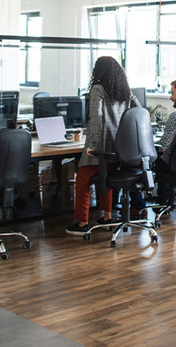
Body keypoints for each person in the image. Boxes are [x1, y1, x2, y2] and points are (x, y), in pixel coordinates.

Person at [66, 56, 140, 235]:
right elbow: (139, 111)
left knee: (82, 180)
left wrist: (92, 145)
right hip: (119, 147)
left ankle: (82, 223)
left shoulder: (98, 89)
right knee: (107, 178)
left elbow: (96, 118)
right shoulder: (125, 90)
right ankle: (108, 217)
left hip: (102, 145)